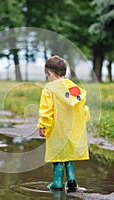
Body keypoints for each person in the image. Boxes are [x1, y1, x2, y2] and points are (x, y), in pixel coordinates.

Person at [37, 55, 90, 193]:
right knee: (68, 154)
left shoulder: (49, 89)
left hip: (57, 129)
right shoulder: (74, 88)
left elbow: (46, 110)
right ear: (64, 72)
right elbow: (82, 108)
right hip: (72, 128)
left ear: (49, 73)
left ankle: (57, 182)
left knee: (57, 156)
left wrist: (43, 125)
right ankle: (72, 181)